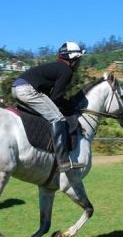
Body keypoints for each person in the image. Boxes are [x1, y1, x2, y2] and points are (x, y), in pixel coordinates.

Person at [12, 41, 85, 172]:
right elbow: (56, 98)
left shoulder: (57, 67)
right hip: (27, 89)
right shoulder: (66, 71)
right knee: (58, 119)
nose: (79, 64)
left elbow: (51, 97)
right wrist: (69, 105)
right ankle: (62, 161)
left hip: (17, 87)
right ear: (72, 59)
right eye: (78, 60)